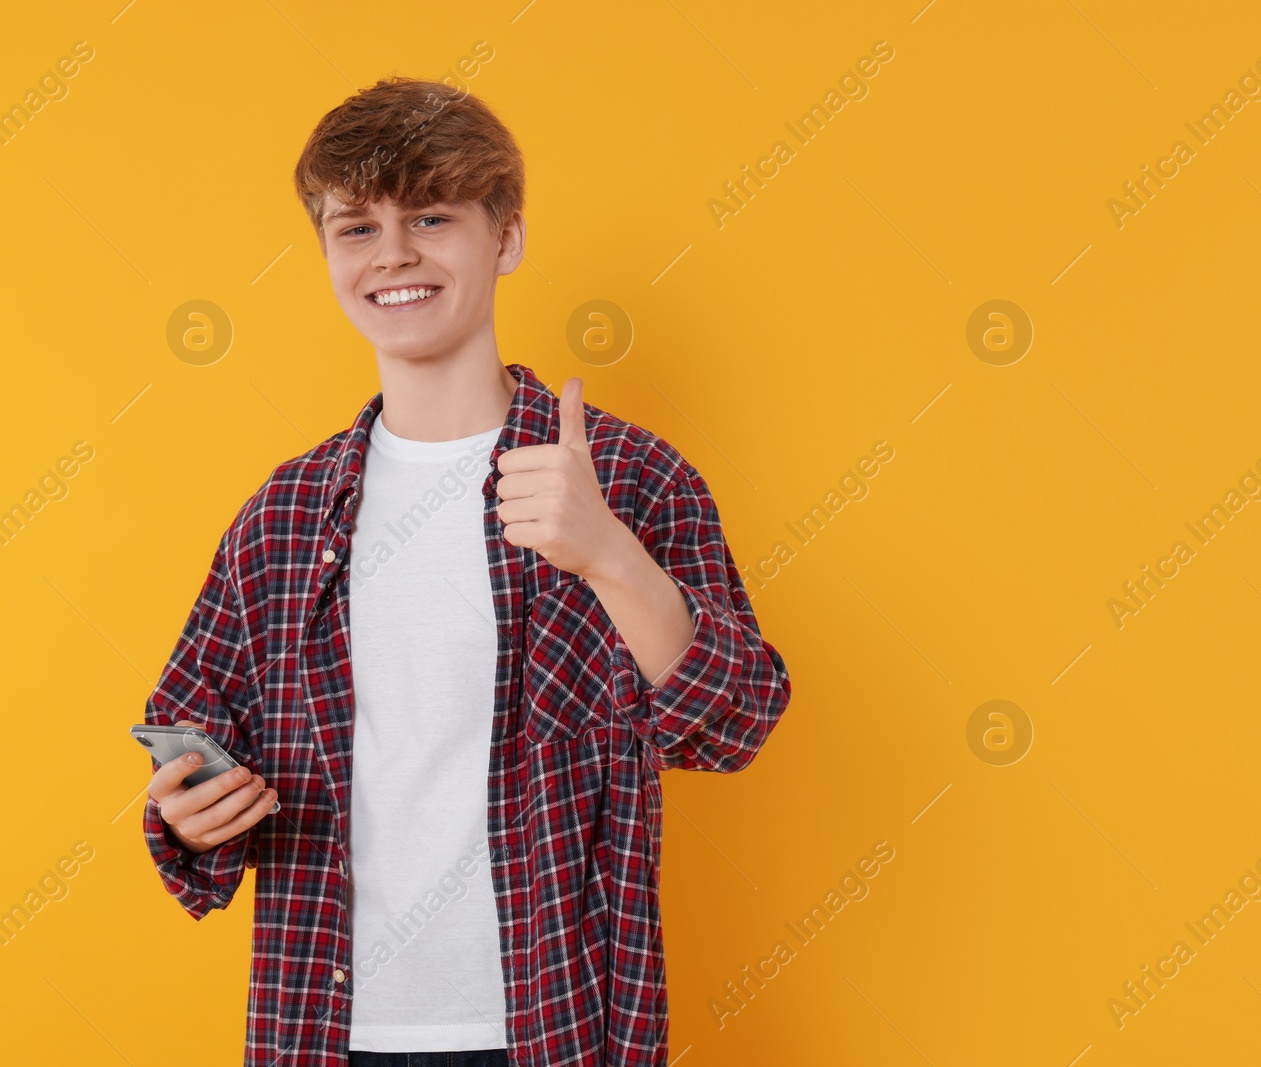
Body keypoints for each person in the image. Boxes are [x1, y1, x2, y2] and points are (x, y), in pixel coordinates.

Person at [139, 76, 792, 1067]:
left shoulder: (624, 476)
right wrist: (187, 816)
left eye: (431, 216)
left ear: (507, 238)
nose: (394, 253)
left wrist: (607, 551)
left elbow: (738, 717)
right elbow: (190, 739)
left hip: (556, 1020)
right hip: (325, 1025)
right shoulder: (284, 514)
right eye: (356, 228)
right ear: (325, 254)